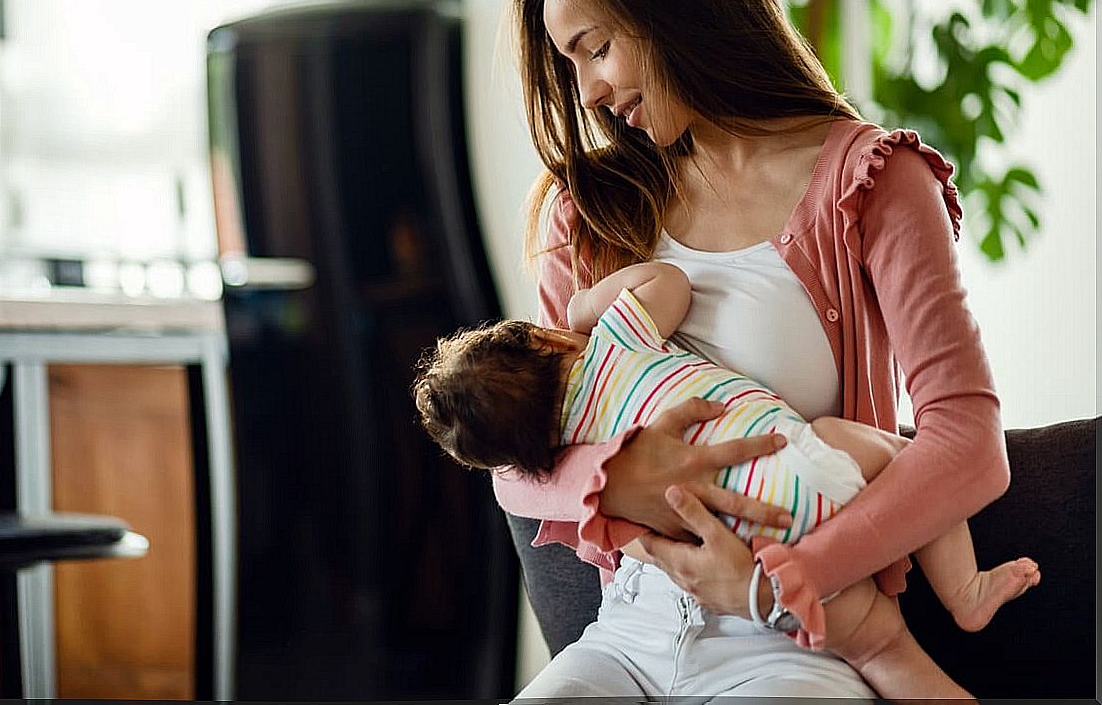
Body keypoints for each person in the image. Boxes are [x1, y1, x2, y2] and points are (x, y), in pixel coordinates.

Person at [490, 0, 1014, 699]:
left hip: (798, 637)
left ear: (676, 8)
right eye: (570, 65)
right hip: (628, 631)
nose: (587, 92)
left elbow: (968, 440)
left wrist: (788, 577)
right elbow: (512, 460)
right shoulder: (588, 211)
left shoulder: (873, 182)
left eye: (594, 47)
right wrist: (614, 479)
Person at [413, 261, 1038, 698]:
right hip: (802, 483)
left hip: (742, 549)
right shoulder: (612, 340)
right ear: (547, 339)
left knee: (882, 650)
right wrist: (584, 307)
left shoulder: (575, 453)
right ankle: (964, 590)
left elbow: (527, 486)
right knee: (902, 458)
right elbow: (671, 283)